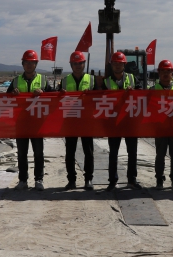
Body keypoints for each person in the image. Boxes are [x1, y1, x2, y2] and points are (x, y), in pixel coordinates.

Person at [98, 51, 140, 191]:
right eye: (115, 63)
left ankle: (132, 180)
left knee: (132, 152)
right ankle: (113, 181)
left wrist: (134, 91)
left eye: (120, 63)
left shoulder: (133, 79)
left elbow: (143, 95)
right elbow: (100, 100)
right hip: (114, 122)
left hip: (130, 121)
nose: (117, 66)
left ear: (124, 65)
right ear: (111, 65)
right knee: (113, 152)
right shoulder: (106, 82)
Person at [7, 50, 48, 190]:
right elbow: (5, 98)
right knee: (22, 153)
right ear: (23, 64)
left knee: (38, 153)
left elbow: (54, 96)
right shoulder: (16, 81)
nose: (29, 65)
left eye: (32, 62)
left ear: (36, 64)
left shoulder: (43, 80)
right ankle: (23, 180)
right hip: (21, 123)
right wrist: (13, 94)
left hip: (37, 123)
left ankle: (39, 179)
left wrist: (43, 93)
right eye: (26, 62)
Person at [60, 51, 95, 191]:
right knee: (70, 153)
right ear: (71, 65)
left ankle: (88, 179)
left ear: (84, 64)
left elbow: (101, 97)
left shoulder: (91, 80)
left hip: (87, 121)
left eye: (80, 63)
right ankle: (71, 180)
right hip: (70, 121)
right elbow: (55, 100)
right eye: (75, 63)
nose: (78, 66)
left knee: (89, 152)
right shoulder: (64, 81)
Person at [154, 59, 173, 190]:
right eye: (163, 71)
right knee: (160, 155)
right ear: (159, 73)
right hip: (160, 128)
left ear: (172, 73)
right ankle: (159, 179)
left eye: (168, 71)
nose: (165, 74)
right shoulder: (152, 90)